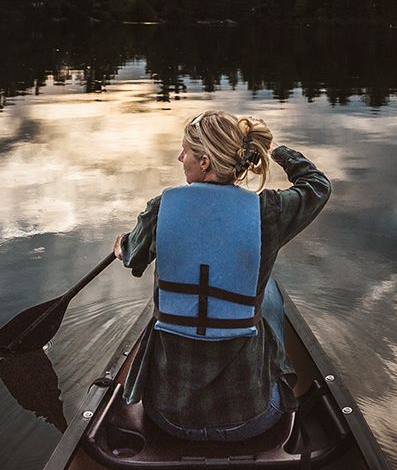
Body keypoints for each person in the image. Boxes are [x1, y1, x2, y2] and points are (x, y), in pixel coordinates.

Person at [113, 109, 331, 442]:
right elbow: (318, 187)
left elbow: (134, 257)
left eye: (184, 150)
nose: (179, 156)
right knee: (269, 292)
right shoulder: (269, 211)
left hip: (166, 416)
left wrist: (122, 247)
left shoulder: (161, 208)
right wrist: (279, 153)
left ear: (203, 162)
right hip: (252, 418)